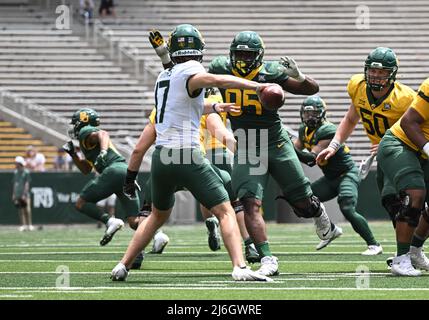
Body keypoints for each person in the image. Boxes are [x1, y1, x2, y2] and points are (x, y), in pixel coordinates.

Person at [111, 24, 274, 282]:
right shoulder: (192, 70)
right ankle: (240, 268)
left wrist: (216, 106)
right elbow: (217, 80)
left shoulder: (163, 77)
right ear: (198, 50)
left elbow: (184, 101)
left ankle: (122, 265)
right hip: (187, 155)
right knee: (225, 211)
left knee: (156, 216)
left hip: (162, 158)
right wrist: (256, 88)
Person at [148, 30, 260, 262]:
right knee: (228, 202)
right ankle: (246, 250)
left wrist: (130, 176)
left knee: (153, 212)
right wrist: (241, 152)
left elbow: (174, 76)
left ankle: (129, 259)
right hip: (195, 155)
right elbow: (220, 130)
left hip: (166, 157)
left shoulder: (168, 99)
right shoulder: (208, 99)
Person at [316, 47, 429, 275]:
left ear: (392, 74)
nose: (376, 76)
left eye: (382, 72)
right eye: (373, 71)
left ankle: (410, 252)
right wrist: (334, 145)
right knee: (399, 203)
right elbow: (351, 117)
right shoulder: (357, 86)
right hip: (397, 148)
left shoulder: (404, 97)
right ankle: (402, 256)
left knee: (409, 202)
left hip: (409, 151)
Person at [62, 108, 168, 269]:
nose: (74, 127)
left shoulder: (85, 131)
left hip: (113, 171)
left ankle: (110, 221)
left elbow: (102, 134)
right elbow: (86, 169)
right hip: (125, 172)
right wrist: (74, 155)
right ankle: (158, 235)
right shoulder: (86, 142)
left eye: (76, 123)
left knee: (81, 203)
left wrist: (103, 152)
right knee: (133, 221)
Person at [294, 95, 381, 254]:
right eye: (307, 113)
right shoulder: (303, 130)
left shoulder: (327, 130)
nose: (310, 117)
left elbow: (311, 159)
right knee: (304, 201)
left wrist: (288, 145)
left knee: (347, 207)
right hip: (331, 178)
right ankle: (331, 229)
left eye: (313, 113)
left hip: (347, 174)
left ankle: (374, 244)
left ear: (322, 113)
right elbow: (295, 152)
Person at [376, 77, 429, 275]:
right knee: (415, 194)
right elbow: (408, 122)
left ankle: (415, 251)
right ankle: (400, 259)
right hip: (401, 143)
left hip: (421, 150)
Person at [12, 156, 34, 231]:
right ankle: (23, 225)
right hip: (18, 193)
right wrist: (14, 194)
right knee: (20, 210)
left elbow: (27, 184)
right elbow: (15, 183)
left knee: (27, 209)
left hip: (25, 194)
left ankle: (30, 225)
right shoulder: (16, 172)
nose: (15, 164)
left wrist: (24, 194)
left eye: (16, 163)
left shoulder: (26, 172)